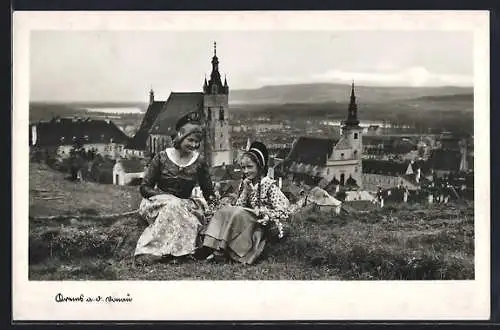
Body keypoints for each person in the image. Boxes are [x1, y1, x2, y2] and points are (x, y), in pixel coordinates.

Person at [134, 111, 217, 265]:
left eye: (197, 142)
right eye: (190, 140)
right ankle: (154, 251)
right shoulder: (162, 157)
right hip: (158, 203)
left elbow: (208, 192)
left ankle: (176, 252)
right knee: (172, 207)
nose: (194, 145)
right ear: (180, 136)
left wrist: (215, 210)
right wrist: (166, 197)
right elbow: (145, 187)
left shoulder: (199, 161)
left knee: (181, 211)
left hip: (185, 204)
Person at [201, 141, 291, 265]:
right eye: (243, 168)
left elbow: (283, 209)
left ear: (259, 167)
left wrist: (266, 213)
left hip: (260, 222)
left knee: (237, 213)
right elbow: (239, 205)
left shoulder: (269, 185)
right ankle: (215, 246)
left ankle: (224, 251)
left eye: (250, 167)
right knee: (226, 210)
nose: (246, 171)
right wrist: (246, 191)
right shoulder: (246, 184)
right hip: (245, 219)